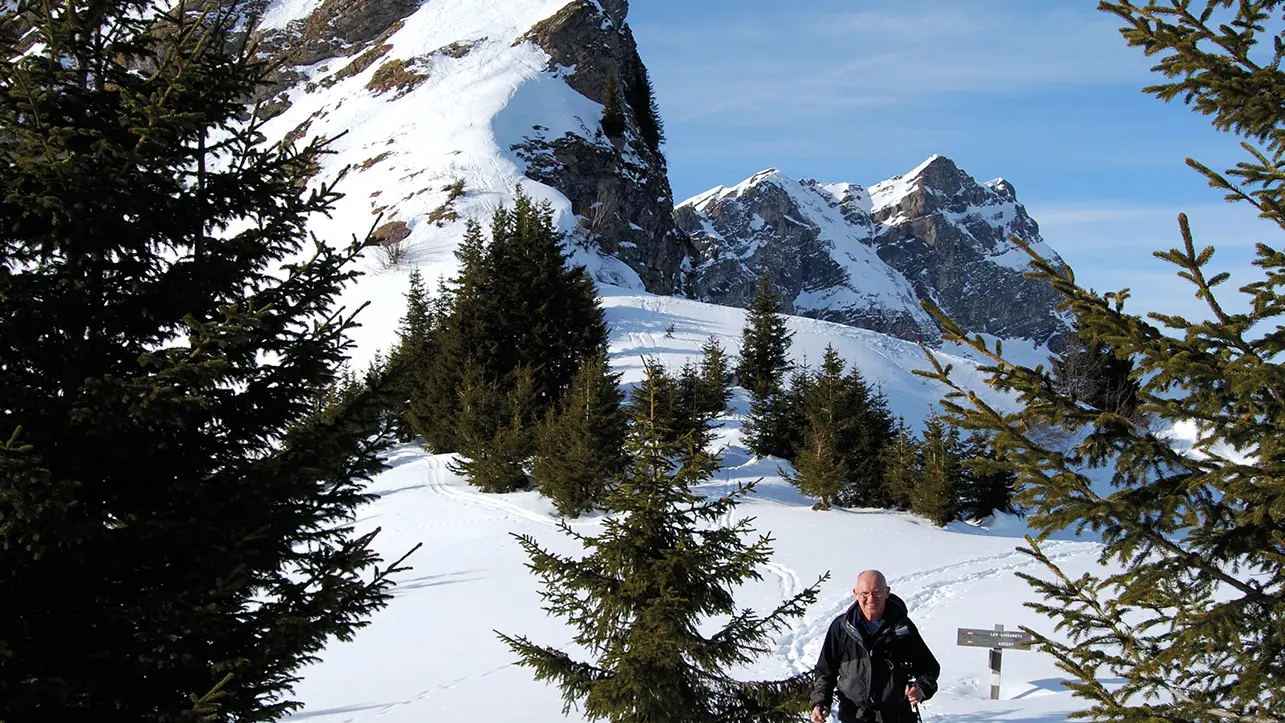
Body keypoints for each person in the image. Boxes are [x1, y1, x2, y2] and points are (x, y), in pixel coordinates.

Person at [810, 570, 940, 723]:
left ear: (887, 592)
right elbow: (826, 670)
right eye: (864, 594)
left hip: (895, 715)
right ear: (855, 594)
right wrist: (820, 702)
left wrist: (921, 688)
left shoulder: (902, 628)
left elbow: (929, 667)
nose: (871, 599)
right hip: (854, 715)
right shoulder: (842, 627)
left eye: (877, 593)